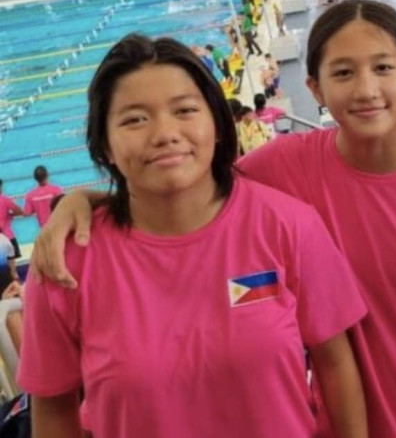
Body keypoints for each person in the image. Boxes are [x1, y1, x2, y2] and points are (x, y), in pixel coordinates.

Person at [33, 1, 396, 438]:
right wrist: (86, 202)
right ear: (314, 87)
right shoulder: (283, 169)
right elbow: (185, 186)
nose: (366, 89)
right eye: (135, 119)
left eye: (382, 68)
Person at [19, 34, 369, 438]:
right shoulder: (65, 263)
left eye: (184, 110)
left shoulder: (287, 226)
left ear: (217, 125)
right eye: (134, 119)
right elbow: (53, 408)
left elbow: (336, 365)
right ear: (105, 146)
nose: (165, 133)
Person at [0, 180, 24, 259]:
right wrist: (10, 214)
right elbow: (19, 211)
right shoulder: (5, 199)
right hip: (7, 236)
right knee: (12, 263)